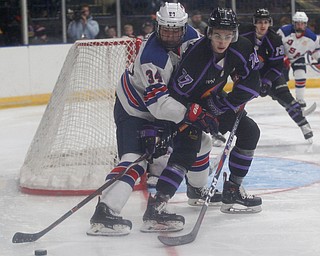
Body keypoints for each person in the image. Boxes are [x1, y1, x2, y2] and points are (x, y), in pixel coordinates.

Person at [87, 2, 217, 236]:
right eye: (164, 29)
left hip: (167, 104)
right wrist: (189, 114)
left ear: (183, 26)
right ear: (158, 25)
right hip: (134, 109)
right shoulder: (152, 57)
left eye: (174, 30)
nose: (169, 35)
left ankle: (197, 191)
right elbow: (159, 106)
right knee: (136, 159)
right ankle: (105, 212)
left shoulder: (194, 37)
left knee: (202, 143)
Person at [141, 6, 263, 232]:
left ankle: (233, 189)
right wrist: (190, 118)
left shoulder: (242, 47)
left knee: (249, 132)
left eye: (227, 36)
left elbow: (253, 83)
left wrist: (223, 105)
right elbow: (177, 96)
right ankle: (157, 206)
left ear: (234, 35)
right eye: (217, 35)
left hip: (215, 101)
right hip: (189, 106)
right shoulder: (196, 58)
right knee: (187, 149)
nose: (222, 41)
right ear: (210, 34)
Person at [240, 9, 313, 142]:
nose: (263, 25)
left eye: (266, 22)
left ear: (270, 23)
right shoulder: (243, 32)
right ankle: (220, 132)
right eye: (260, 22)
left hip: (270, 74)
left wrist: (267, 81)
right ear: (254, 23)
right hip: (249, 75)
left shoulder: (274, 39)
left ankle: (304, 126)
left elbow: (277, 66)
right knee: (236, 101)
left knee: (285, 97)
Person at [277, 11, 320, 108]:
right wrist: (282, 57)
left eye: (302, 23)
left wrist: (319, 59)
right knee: (281, 79)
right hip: (281, 57)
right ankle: (281, 96)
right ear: (294, 23)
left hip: (297, 58)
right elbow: (275, 44)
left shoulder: (312, 37)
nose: (300, 26)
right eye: (298, 23)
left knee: (301, 75)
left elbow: (315, 51)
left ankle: (300, 99)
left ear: (306, 24)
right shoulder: (284, 31)